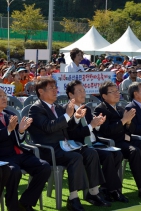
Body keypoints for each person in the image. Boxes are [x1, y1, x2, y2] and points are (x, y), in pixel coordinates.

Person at [28, 78, 110, 210]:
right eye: (51, 88)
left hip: (66, 146)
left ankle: (94, 193)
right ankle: (73, 197)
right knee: (76, 157)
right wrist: (68, 116)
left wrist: (76, 118)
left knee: (91, 152)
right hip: (50, 150)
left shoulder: (58, 108)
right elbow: (48, 127)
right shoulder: (36, 108)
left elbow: (69, 129)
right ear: (41, 91)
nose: (55, 90)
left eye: (56, 87)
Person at [65, 80, 128, 203]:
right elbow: (72, 134)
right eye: (79, 91)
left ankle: (107, 188)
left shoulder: (87, 109)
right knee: (108, 156)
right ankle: (110, 190)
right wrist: (91, 126)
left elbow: (94, 129)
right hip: (81, 145)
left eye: (84, 90)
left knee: (118, 154)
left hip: (95, 143)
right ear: (71, 95)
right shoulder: (67, 110)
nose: (83, 93)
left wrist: (98, 124)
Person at [0, 88, 51, 211]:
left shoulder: (8, 114)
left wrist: (21, 131)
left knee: (44, 167)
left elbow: (18, 139)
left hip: (17, 154)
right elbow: (7, 132)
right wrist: (8, 130)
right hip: (3, 157)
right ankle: (13, 206)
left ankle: (25, 202)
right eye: (0, 96)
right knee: (14, 170)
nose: (4, 98)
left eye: (4, 95)